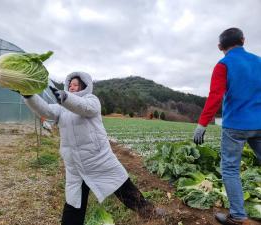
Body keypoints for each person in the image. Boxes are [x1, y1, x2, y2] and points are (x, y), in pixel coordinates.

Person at [22, 72, 167, 225]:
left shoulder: (92, 100)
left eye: (75, 85)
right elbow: (45, 110)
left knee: (124, 186)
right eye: (70, 85)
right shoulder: (61, 109)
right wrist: (28, 95)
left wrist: (65, 97)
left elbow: (83, 107)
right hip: (75, 165)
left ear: (84, 86)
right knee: (73, 202)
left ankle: (150, 212)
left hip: (98, 159)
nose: (71, 87)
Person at [193, 27, 261, 225]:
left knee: (230, 169)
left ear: (220, 47)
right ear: (243, 40)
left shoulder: (224, 64)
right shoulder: (259, 61)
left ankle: (239, 217)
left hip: (235, 127)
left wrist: (202, 124)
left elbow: (215, 97)